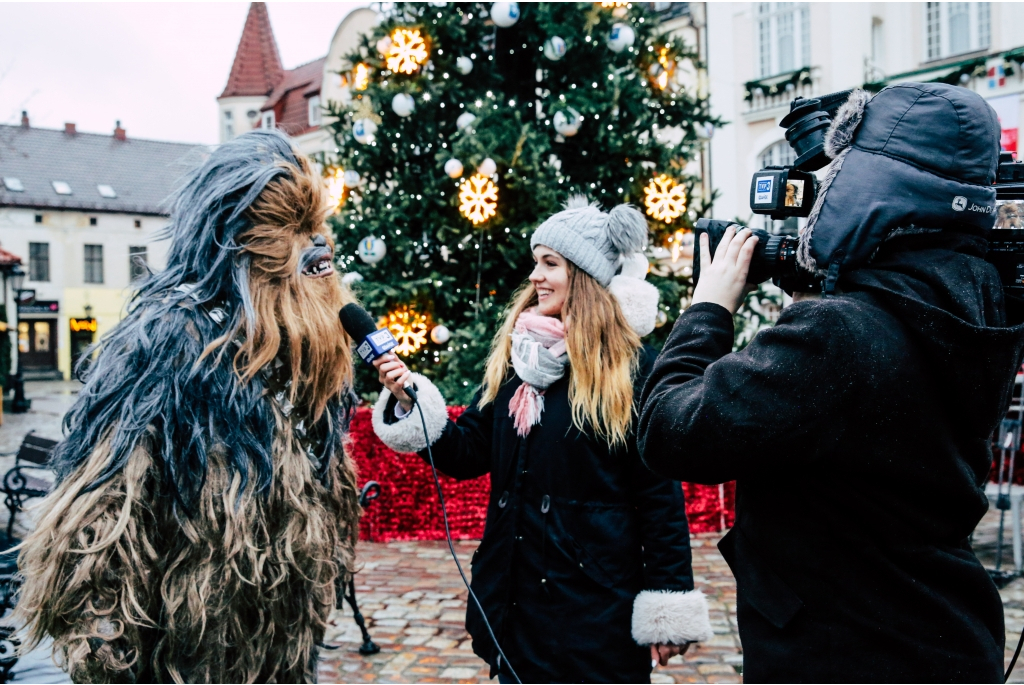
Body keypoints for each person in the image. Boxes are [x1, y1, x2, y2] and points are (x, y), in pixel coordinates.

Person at [638, 82, 1024, 682]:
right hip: (942, 637)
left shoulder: (839, 335)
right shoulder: (970, 311)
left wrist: (707, 310)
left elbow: (669, 430)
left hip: (842, 649)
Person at [15, 131, 361, 682]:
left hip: (279, 639)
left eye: (316, 226)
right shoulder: (173, 339)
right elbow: (98, 517)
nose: (319, 248)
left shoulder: (310, 347)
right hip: (184, 645)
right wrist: (104, 645)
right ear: (237, 242)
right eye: (292, 229)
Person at [371, 198, 712, 683]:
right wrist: (413, 404)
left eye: (550, 263)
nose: (535, 275)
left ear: (586, 276)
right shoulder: (520, 357)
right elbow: (469, 449)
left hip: (594, 608)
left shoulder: (633, 369)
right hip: (516, 598)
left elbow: (659, 499)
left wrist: (668, 606)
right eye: (536, 261)